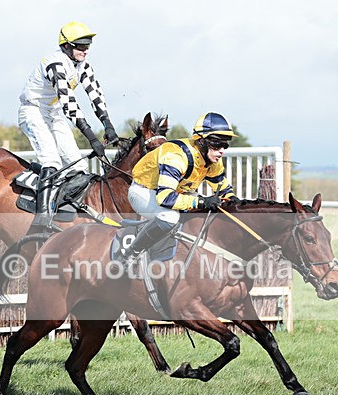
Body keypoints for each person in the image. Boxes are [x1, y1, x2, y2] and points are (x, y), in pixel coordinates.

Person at [19, 21, 119, 232]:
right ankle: (42, 219)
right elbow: (69, 103)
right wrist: (92, 137)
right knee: (51, 159)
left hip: (53, 113)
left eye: (87, 46)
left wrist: (107, 124)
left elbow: (95, 95)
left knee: (78, 167)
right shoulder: (54, 63)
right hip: (34, 111)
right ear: (66, 46)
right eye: (80, 46)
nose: (85, 50)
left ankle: (65, 210)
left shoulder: (83, 65)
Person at [116, 112, 238, 262]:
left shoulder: (213, 159)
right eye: (217, 143)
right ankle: (130, 254)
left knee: (204, 212)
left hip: (174, 193)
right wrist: (201, 202)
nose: (222, 150)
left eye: (225, 144)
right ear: (200, 141)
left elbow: (226, 192)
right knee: (170, 217)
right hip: (144, 192)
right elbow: (165, 198)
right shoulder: (176, 156)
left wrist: (236, 206)